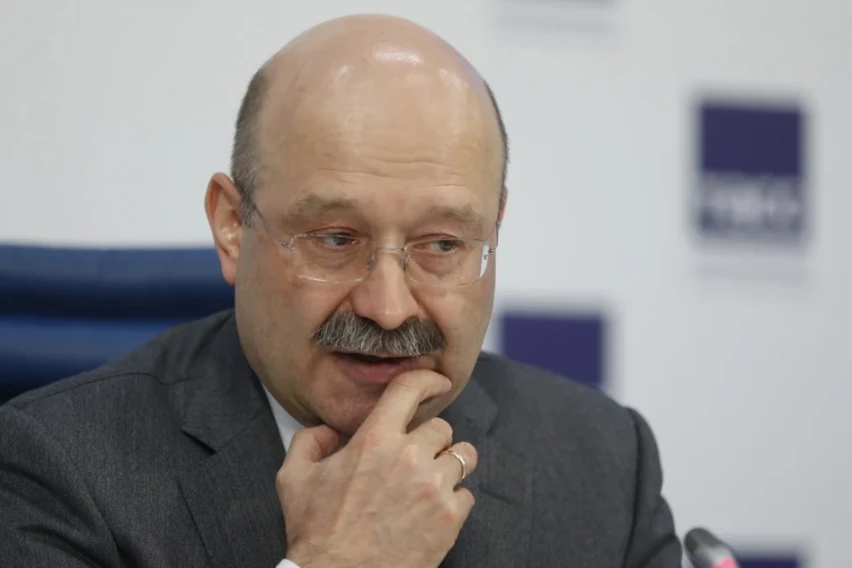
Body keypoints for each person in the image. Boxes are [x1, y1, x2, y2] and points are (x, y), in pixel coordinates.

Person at [0, 13, 682, 568]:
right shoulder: (56, 470)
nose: (388, 308)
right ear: (233, 226)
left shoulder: (603, 462)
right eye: (335, 238)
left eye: (442, 244)